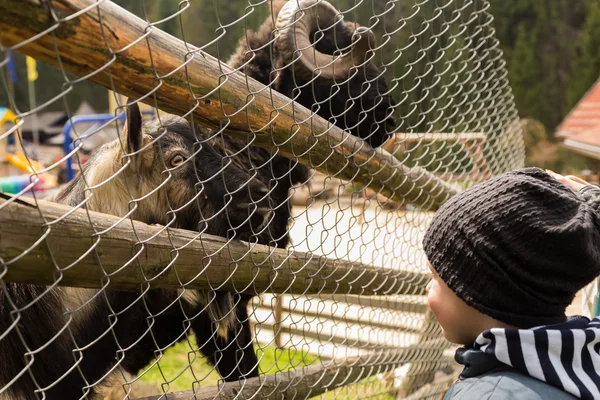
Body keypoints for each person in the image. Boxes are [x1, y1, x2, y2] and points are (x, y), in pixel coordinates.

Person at [423, 167, 600, 399]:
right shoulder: (582, 353)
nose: (426, 287)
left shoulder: (490, 395)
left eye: (436, 277)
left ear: (480, 292)